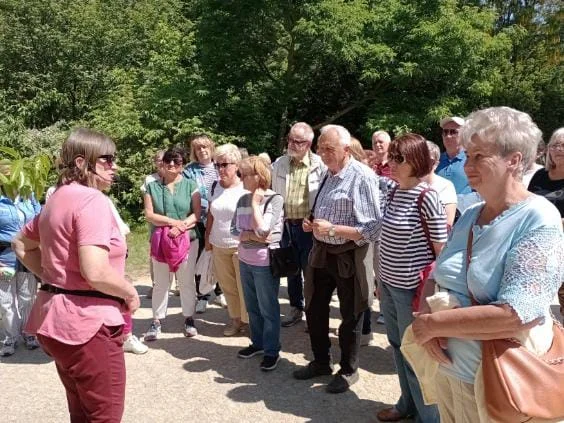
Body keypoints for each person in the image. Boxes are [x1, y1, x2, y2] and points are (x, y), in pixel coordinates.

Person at [411, 107, 564, 422]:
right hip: (451, 374)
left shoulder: (539, 217)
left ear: (514, 160)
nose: (468, 166)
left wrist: (431, 326)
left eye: (479, 156)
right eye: (467, 156)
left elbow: (517, 315)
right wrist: (426, 317)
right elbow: (438, 274)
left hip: (501, 384)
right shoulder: (469, 216)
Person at [12, 128, 140, 422]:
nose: (114, 166)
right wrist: (129, 291)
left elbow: (21, 244)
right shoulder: (91, 200)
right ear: (82, 163)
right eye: (107, 159)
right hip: (88, 327)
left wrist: (55, 277)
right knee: (103, 417)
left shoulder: (57, 197)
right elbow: (95, 271)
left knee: (81, 413)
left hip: (57, 323)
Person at [292, 124, 381, 394]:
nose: (323, 153)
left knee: (350, 314)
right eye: (321, 148)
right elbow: (325, 211)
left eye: (329, 149)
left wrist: (332, 229)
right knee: (315, 309)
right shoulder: (329, 174)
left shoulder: (362, 176)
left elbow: (372, 228)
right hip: (322, 252)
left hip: (348, 255)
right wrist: (312, 224)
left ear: (345, 149)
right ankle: (320, 361)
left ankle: (348, 369)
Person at [376, 133, 448, 423]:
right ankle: (407, 404)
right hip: (391, 286)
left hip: (413, 292)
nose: (391, 163)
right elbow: (384, 242)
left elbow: (441, 250)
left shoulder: (427, 197)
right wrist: (381, 282)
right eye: (391, 156)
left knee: (417, 354)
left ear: (416, 161)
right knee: (397, 347)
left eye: (399, 158)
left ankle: (427, 416)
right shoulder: (393, 192)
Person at [231, 156, 284, 370]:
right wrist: (253, 237)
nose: (240, 178)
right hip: (245, 259)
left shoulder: (275, 199)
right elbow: (234, 231)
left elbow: (265, 231)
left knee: (268, 308)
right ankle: (258, 343)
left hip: (264, 263)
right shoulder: (241, 200)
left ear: (258, 176)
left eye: (243, 174)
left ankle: (272, 350)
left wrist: (255, 204)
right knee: (252, 307)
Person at [271, 122, 326, 328]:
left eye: (298, 141)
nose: (292, 144)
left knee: (311, 272)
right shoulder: (279, 164)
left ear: (309, 144)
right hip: (286, 226)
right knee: (290, 270)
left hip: (309, 229)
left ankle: (314, 313)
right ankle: (296, 308)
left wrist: (314, 220)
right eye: (290, 139)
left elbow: (324, 198)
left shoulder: (320, 166)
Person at [144, 146, 201, 340]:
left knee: (186, 281)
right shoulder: (152, 186)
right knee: (161, 283)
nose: (171, 164)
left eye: (176, 161)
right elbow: (150, 215)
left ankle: (189, 318)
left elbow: (197, 214)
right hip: (161, 241)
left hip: (187, 240)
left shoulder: (190, 185)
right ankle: (157, 321)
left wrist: (182, 226)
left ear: (182, 165)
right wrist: (172, 223)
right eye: (168, 160)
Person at [205, 143, 249, 336]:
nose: (220, 169)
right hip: (218, 244)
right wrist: (207, 240)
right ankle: (236, 320)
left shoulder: (246, 188)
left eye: (225, 165)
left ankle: (250, 322)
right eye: (217, 165)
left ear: (237, 165)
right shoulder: (214, 186)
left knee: (245, 288)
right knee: (228, 287)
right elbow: (211, 215)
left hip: (241, 246)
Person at [182, 134, 227, 313]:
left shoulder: (220, 166)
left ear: (211, 148)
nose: (202, 151)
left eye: (204, 147)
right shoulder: (189, 171)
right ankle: (202, 295)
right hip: (199, 220)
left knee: (220, 255)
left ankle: (220, 290)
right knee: (201, 257)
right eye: (198, 148)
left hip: (219, 217)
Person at [0, 169, 41, 356]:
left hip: (27, 256)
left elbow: (41, 220)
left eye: (13, 172)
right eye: (6, 173)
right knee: (5, 301)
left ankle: (29, 333)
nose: (11, 177)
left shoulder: (28, 196)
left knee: (27, 298)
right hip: (4, 257)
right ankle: (9, 338)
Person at [528, 127, 564, 316]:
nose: (559, 150)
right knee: (541, 294)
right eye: (555, 145)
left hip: (561, 247)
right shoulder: (540, 175)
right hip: (536, 246)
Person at [141, 150, 166, 300]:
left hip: (173, 218)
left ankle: (176, 284)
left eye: (164, 159)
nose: (161, 162)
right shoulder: (150, 179)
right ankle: (156, 284)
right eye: (158, 160)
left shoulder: (176, 176)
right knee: (155, 253)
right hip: (156, 221)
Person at [424, 141, 458, 226]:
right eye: (421, 158)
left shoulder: (446, 186)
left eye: (430, 160)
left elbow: (448, 224)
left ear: (436, 164)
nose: (424, 162)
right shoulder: (409, 184)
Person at [436, 116, 472, 195]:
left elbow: (480, 193)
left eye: (453, 132)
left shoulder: (472, 160)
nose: (448, 136)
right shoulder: (435, 161)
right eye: (445, 132)